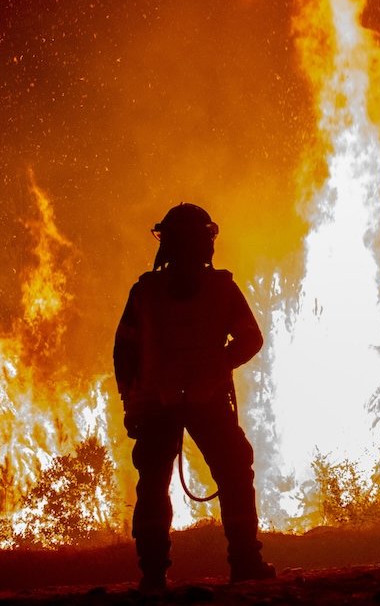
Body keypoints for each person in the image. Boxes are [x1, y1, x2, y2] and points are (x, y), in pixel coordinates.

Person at [113, 203, 276, 591]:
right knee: (234, 470)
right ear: (207, 241)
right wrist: (219, 366)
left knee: (153, 483)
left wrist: (131, 399)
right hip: (208, 398)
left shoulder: (145, 291)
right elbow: (250, 339)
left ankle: (153, 573)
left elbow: (125, 351)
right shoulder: (221, 288)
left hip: (155, 401)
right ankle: (245, 561)